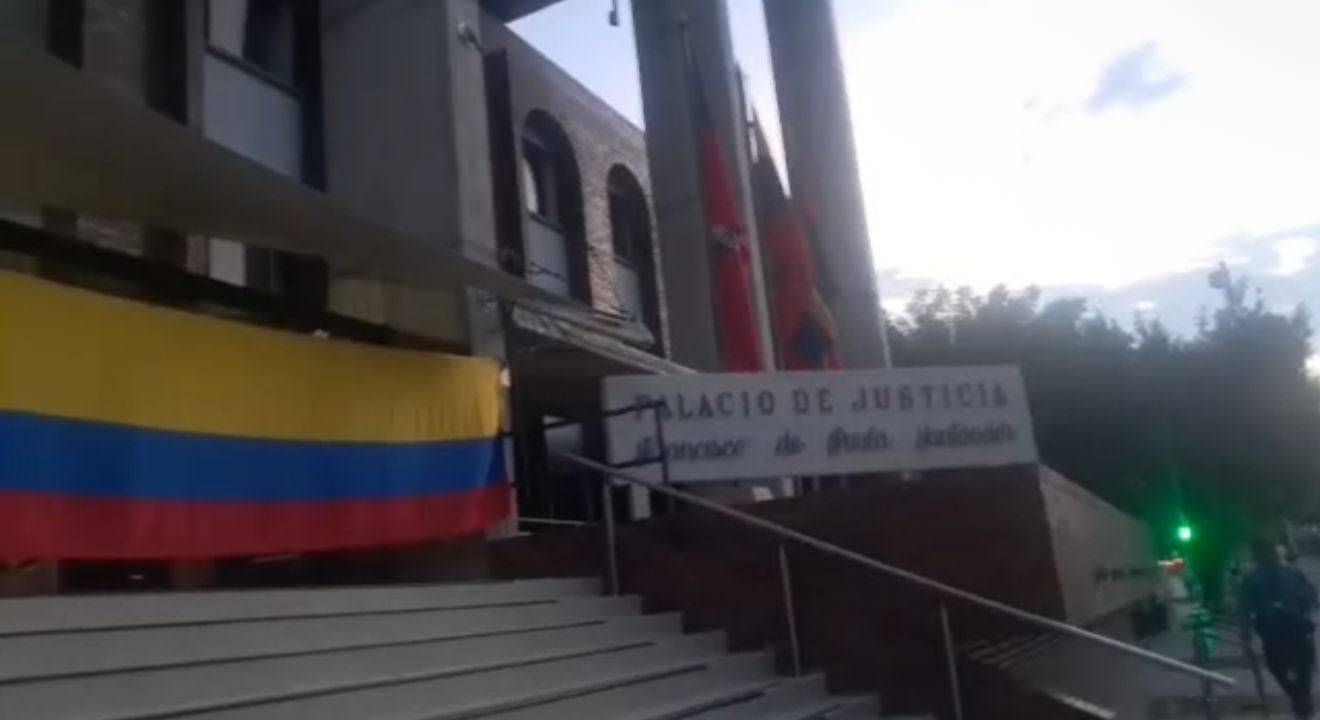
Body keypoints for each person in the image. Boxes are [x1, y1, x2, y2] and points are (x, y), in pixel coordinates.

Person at [1241, 538, 1319, 719]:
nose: (1271, 558)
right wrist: (1245, 632)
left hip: (1296, 628)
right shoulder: (1253, 579)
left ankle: (1303, 704)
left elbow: (1310, 596)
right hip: (1272, 631)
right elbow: (1245, 606)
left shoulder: (1292, 574)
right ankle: (1298, 698)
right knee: (1277, 666)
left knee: (1303, 669)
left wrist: (1308, 615)